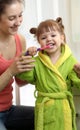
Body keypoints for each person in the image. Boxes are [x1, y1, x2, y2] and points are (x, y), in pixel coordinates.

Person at [16, 17, 80, 130]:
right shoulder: (37, 62)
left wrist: (79, 74)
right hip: (45, 108)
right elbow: (26, 76)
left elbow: (79, 84)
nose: (49, 39)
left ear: (62, 38)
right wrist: (27, 56)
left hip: (63, 108)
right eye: (44, 37)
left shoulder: (70, 60)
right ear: (39, 42)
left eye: (53, 35)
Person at [0, 0, 36, 130]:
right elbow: (12, 71)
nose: (18, 22)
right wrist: (11, 70)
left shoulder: (19, 39)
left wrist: (31, 69)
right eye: (12, 18)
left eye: (20, 15)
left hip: (9, 110)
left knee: (48, 116)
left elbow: (20, 81)